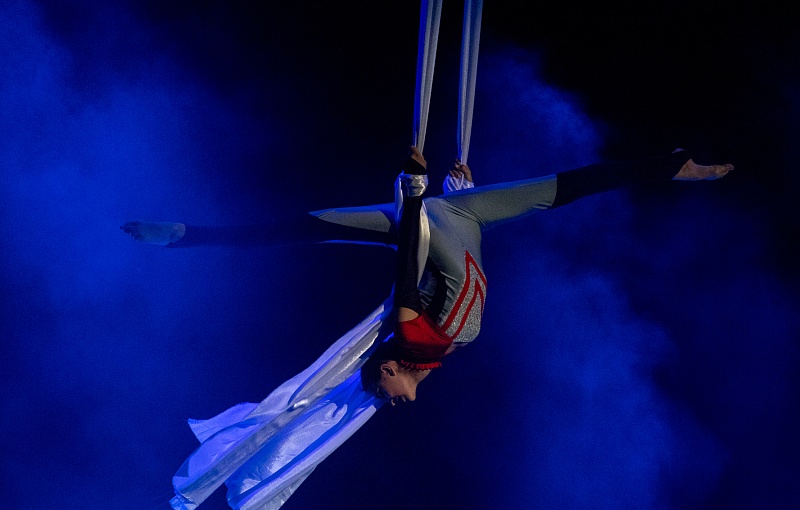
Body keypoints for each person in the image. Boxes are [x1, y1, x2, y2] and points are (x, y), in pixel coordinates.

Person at [123, 148, 733, 405]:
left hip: (420, 225)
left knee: (294, 228)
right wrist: (458, 193)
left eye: (383, 395)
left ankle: (182, 235)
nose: (393, 403)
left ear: (387, 369)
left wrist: (415, 195)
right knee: (561, 190)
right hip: (468, 217)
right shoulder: (439, 355)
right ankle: (668, 166)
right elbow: (461, 278)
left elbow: (409, 269)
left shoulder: (410, 336)